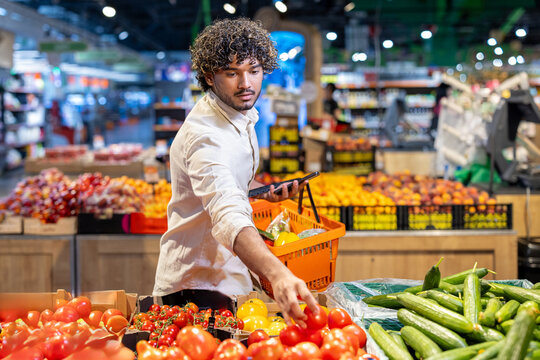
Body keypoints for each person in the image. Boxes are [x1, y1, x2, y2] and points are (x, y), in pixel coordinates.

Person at [153, 18, 318, 326]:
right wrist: (278, 273)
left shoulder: (239, 113)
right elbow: (227, 212)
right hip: (197, 287)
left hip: (229, 272)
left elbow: (233, 183)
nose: (246, 83)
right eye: (232, 73)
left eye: (254, 71)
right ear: (209, 76)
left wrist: (262, 191)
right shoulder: (206, 137)